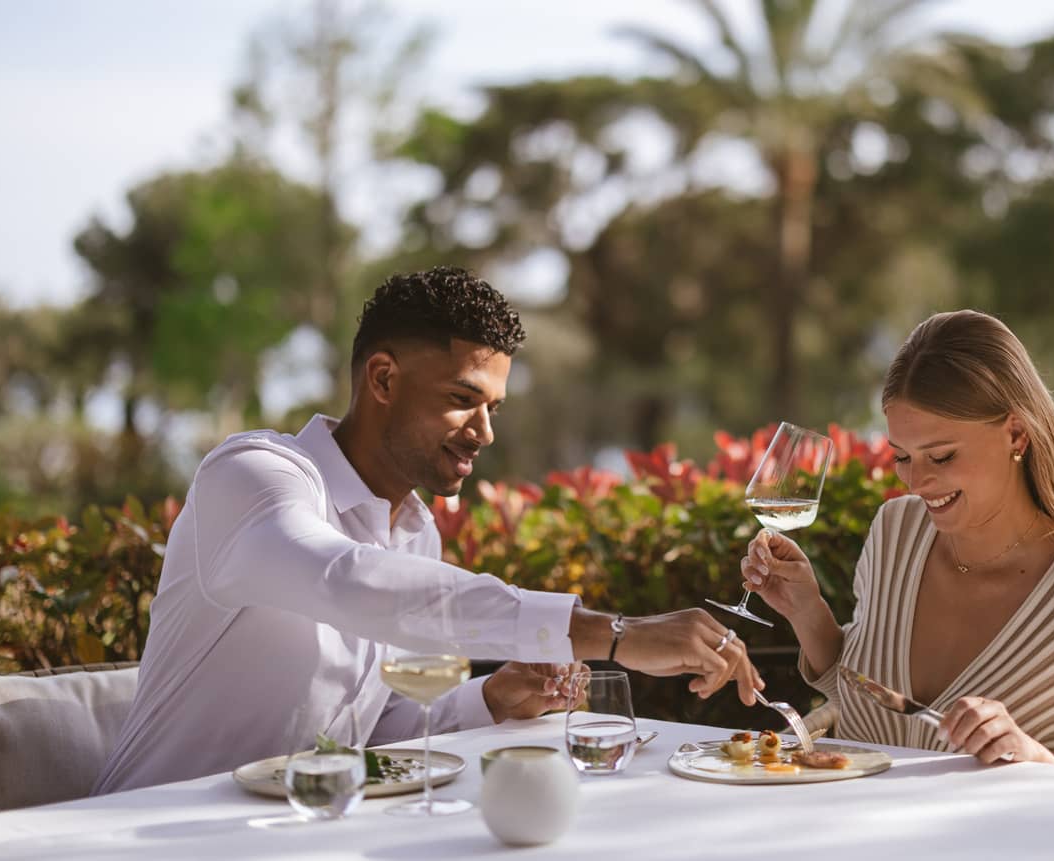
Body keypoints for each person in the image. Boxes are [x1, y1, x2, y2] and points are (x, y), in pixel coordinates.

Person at [94, 267, 760, 794]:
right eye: (461, 399)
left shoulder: (415, 534)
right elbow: (348, 582)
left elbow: (373, 732)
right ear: (382, 378)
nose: (486, 432)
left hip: (295, 834)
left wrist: (491, 697)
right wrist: (615, 632)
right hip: (145, 835)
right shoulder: (254, 477)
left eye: (492, 407)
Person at [739, 310, 1054, 771]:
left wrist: (1029, 755)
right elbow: (866, 706)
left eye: (940, 456)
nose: (916, 482)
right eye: (902, 456)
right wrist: (806, 611)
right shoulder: (896, 533)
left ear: (1016, 434)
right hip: (853, 830)